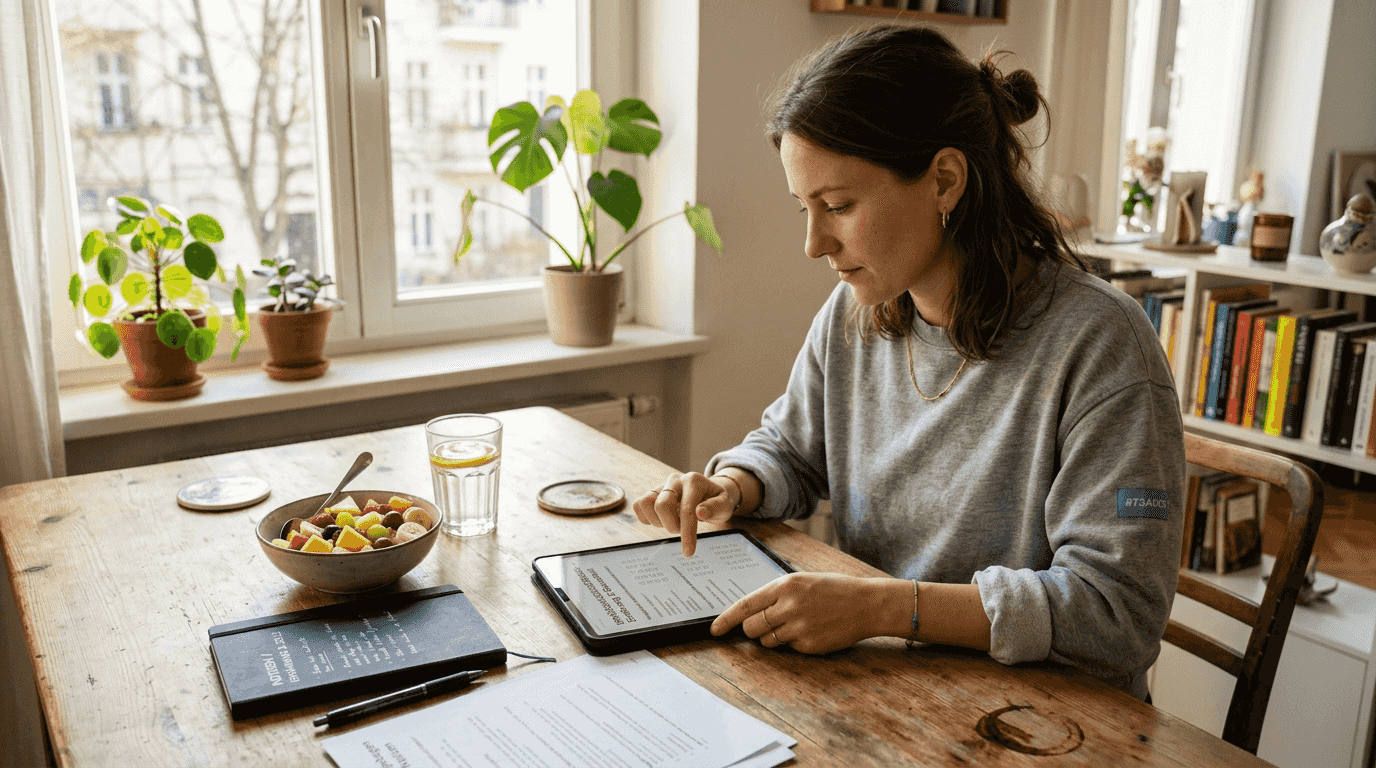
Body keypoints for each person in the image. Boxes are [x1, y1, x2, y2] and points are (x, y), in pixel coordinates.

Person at [631, 25, 1185, 701]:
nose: (813, 243)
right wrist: (734, 485)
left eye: (837, 206)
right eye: (804, 209)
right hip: (887, 686)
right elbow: (792, 449)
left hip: (1046, 719)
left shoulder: (1101, 344)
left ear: (945, 180)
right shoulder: (854, 312)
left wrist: (882, 608)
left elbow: (1116, 613)